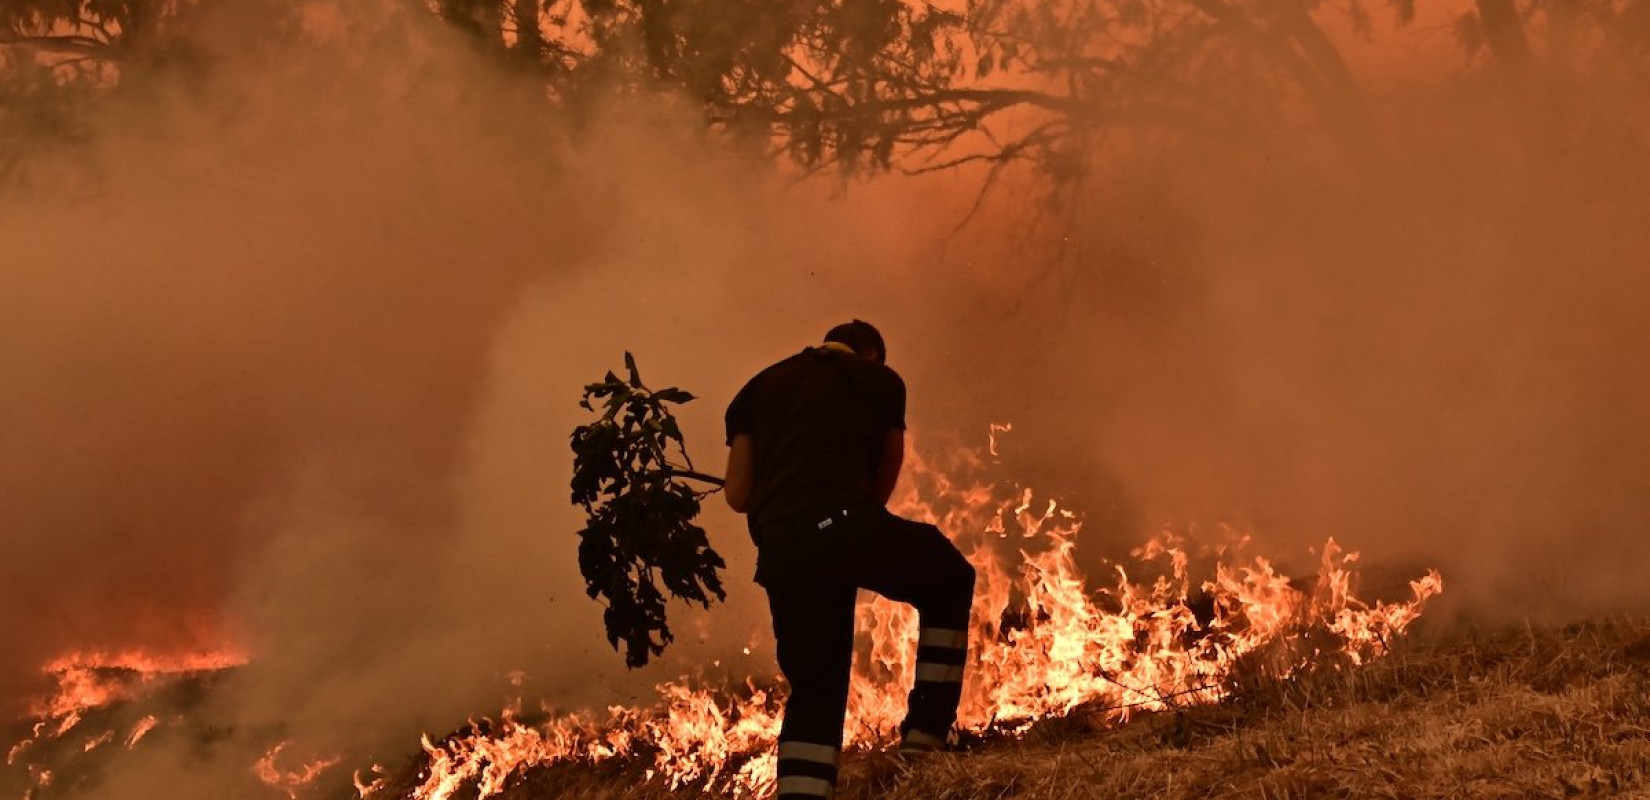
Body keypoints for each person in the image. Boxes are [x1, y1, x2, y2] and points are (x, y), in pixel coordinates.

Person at [723, 320, 977, 800]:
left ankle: (801, 793)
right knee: (949, 576)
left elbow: (738, 495)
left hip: (781, 549)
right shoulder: (877, 381)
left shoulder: (755, 389)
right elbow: (888, 466)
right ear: (871, 355)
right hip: (843, 521)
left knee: (816, 688)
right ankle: (926, 740)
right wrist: (857, 528)